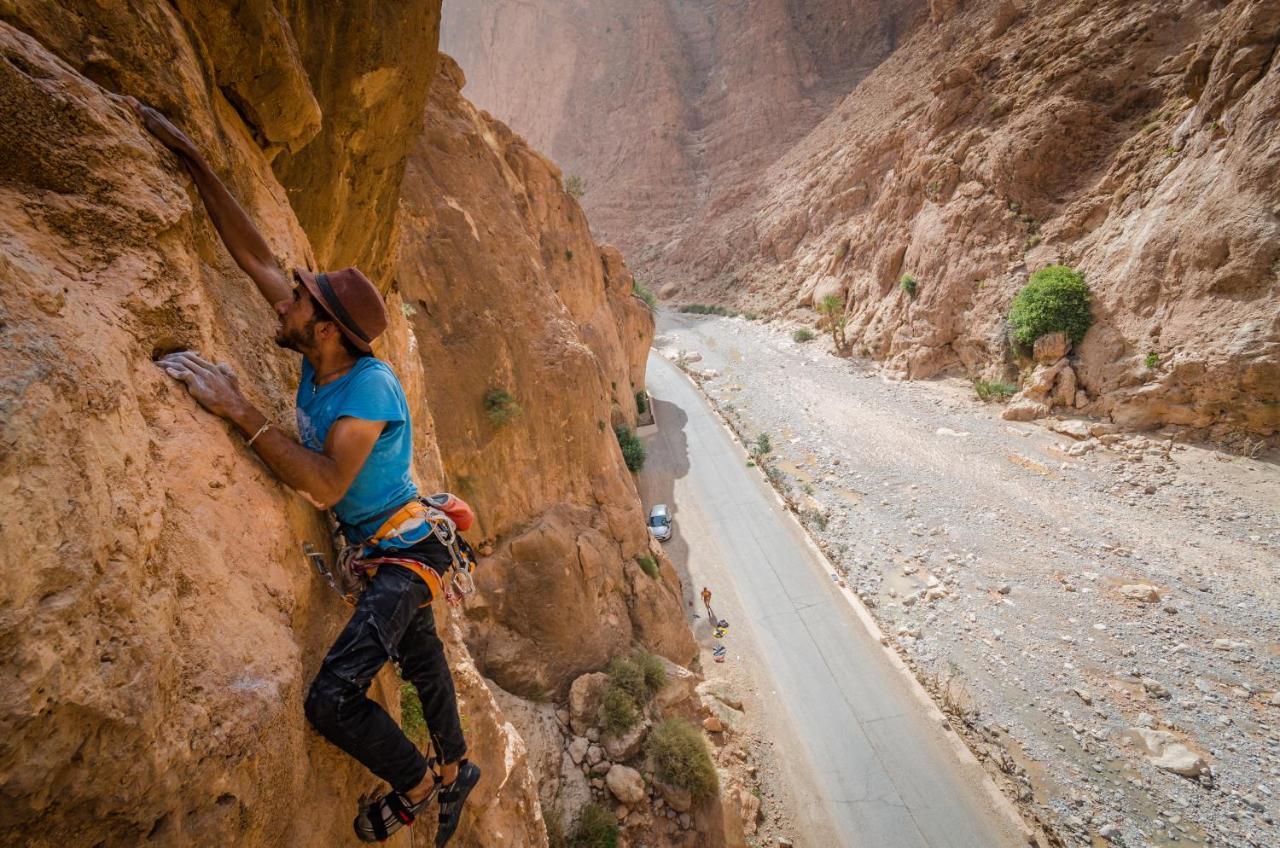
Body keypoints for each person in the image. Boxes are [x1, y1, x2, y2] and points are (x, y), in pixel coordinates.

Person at [130, 99, 479, 845]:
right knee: (421, 657)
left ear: (323, 327)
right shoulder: (317, 342)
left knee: (332, 698)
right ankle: (458, 767)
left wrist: (237, 407)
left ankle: (417, 781)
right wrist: (190, 156)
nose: (280, 302)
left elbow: (323, 485)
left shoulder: (368, 390)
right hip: (397, 543)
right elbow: (253, 253)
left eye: (297, 301)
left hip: (403, 552)